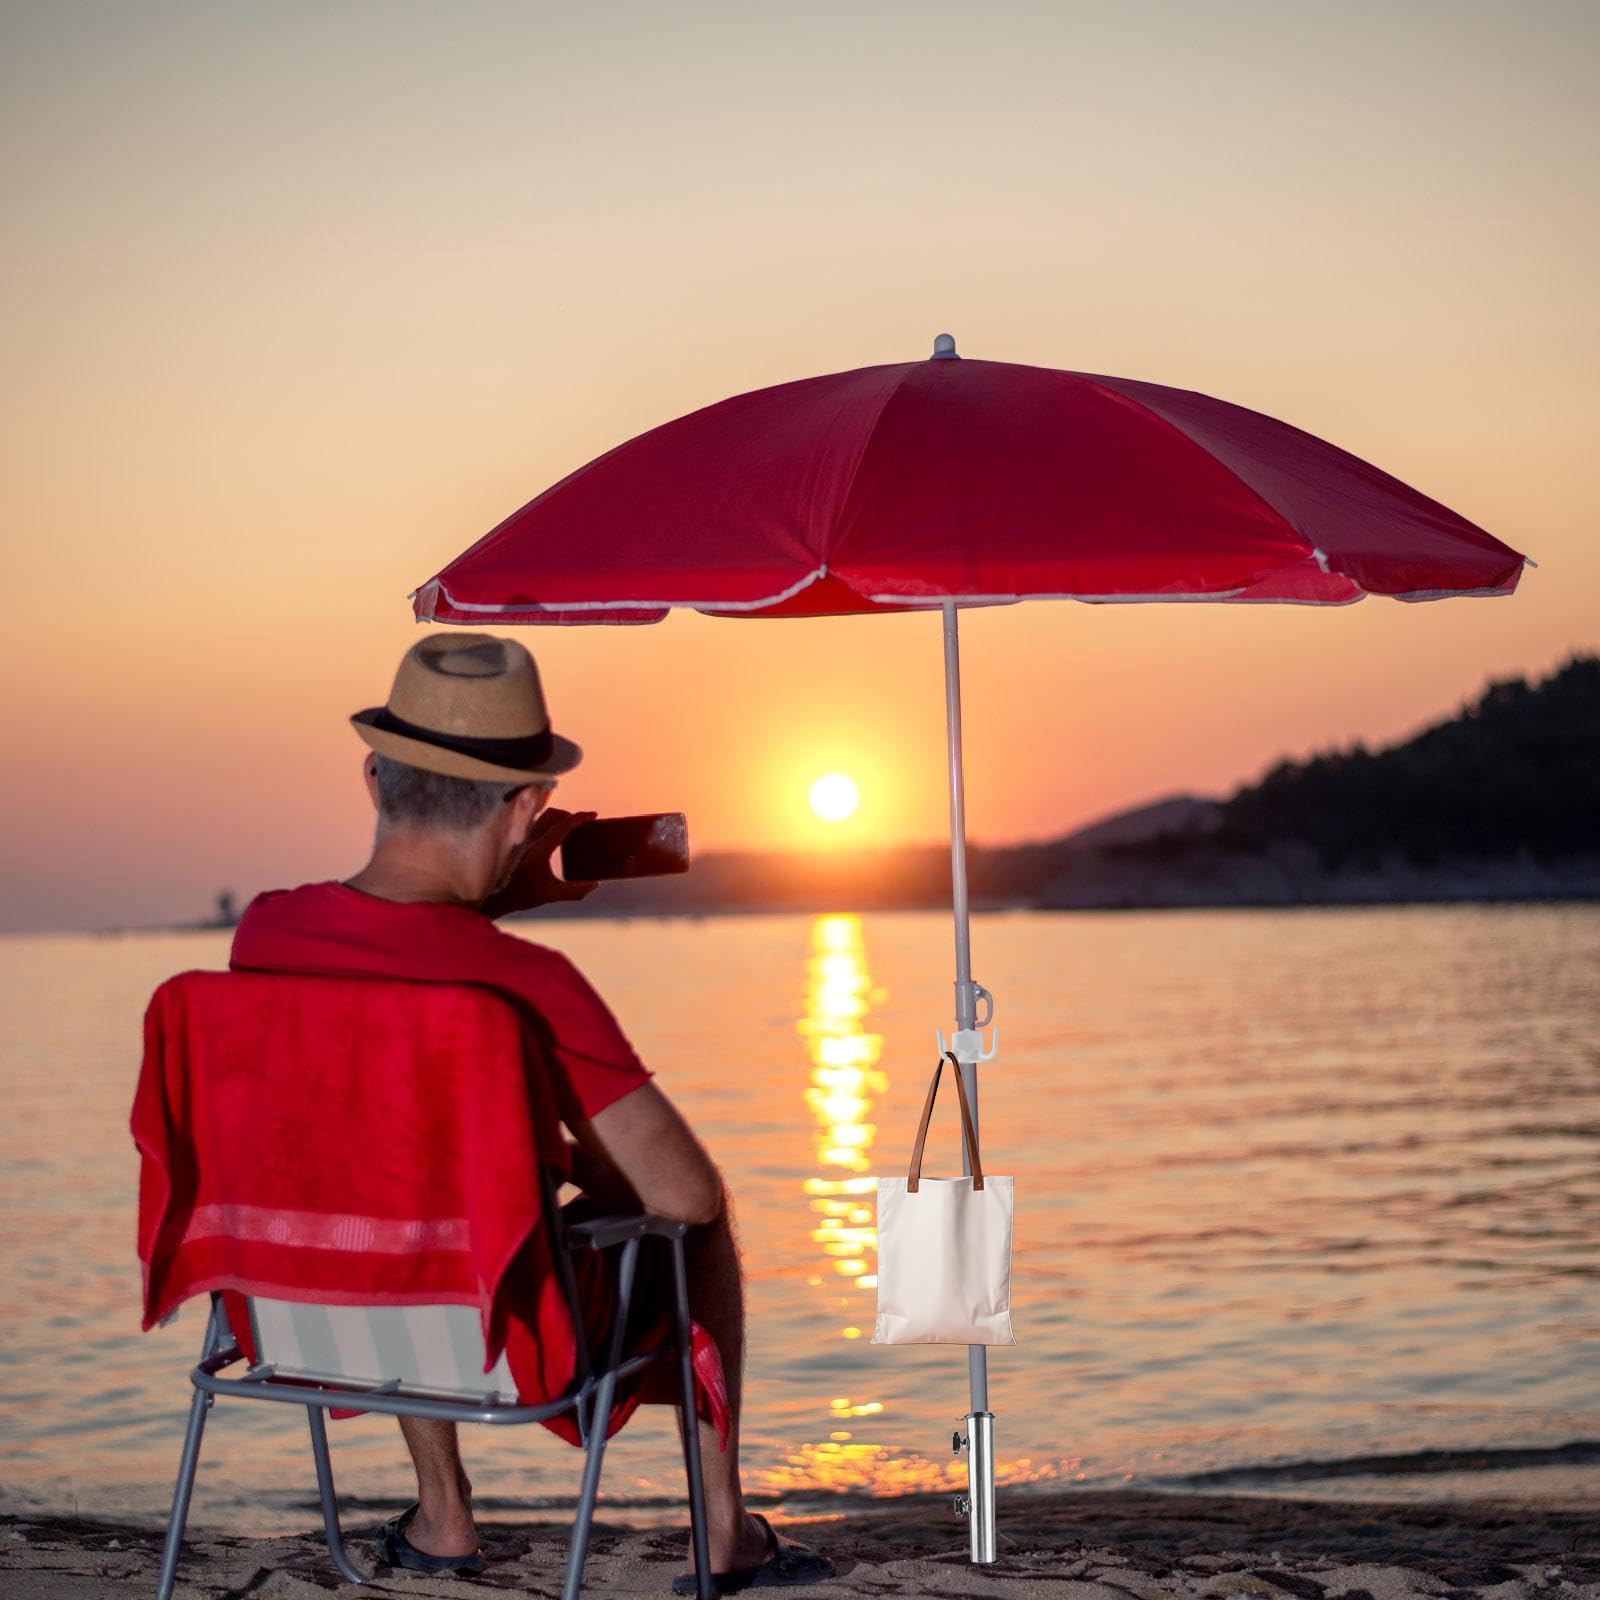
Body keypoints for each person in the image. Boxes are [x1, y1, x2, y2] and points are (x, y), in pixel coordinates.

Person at [230, 632, 832, 1593]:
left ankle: (442, 1517)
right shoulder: (527, 985)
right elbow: (677, 1194)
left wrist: (488, 908)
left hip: (297, 1315)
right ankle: (723, 1535)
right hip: (492, 1341)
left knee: (392, 1199)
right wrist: (547, 1154)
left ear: (374, 776)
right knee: (702, 1221)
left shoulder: (265, 933)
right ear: (526, 807)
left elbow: (396, 947)